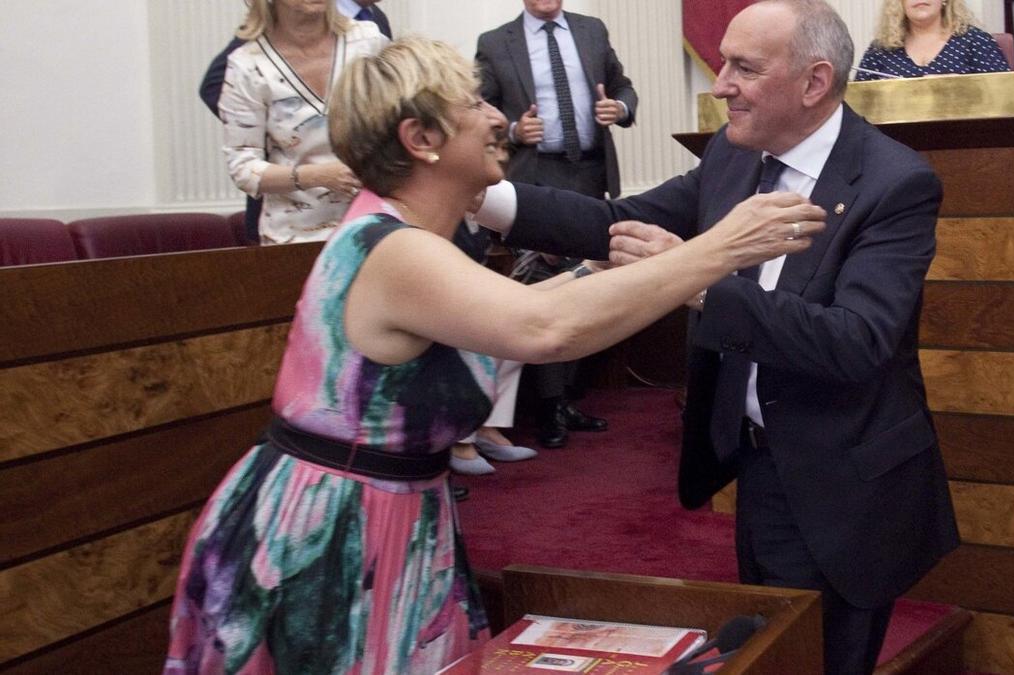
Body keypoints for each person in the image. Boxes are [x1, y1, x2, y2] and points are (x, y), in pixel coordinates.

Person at [163, 35, 821, 674]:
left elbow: (545, 315)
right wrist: (721, 248)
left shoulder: (409, 237)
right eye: (474, 106)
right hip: (332, 531)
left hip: (389, 514)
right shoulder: (397, 251)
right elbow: (543, 328)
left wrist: (612, 267)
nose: (498, 117)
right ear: (420, 140)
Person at [473, 1, 960, 672]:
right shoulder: (734, 163)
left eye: (743, 67)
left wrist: (695, 279)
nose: (719, 83)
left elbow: (855, 340)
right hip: (757, 467)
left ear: (814, 83)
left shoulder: (894, 181)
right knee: (771, 650)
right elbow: (612, 222)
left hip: (846, 483)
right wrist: (476, 194)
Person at [476, 0, 639, 449]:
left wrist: (620, 110)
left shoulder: (592, 30)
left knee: (588, 285)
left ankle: (568, 398)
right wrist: (512, 131)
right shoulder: (494, 43)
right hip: (534, 176)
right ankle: (547, 408)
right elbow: (477, 108)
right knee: (547, 285)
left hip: (589, 174)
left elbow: (623, 87)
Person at [200, 0, 392, 244]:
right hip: (293, 239)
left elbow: (403, 121)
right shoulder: (248, 65)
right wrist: (318, 176)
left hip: (373, 228)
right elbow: (243, 168)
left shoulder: (368, 42)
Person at [855, 0, 1009, 80]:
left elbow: (1004, 95)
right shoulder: (880, 49)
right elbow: (857, 107)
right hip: (892, 138)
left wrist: (961, 86)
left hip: (967, 135)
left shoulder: (977, 41)